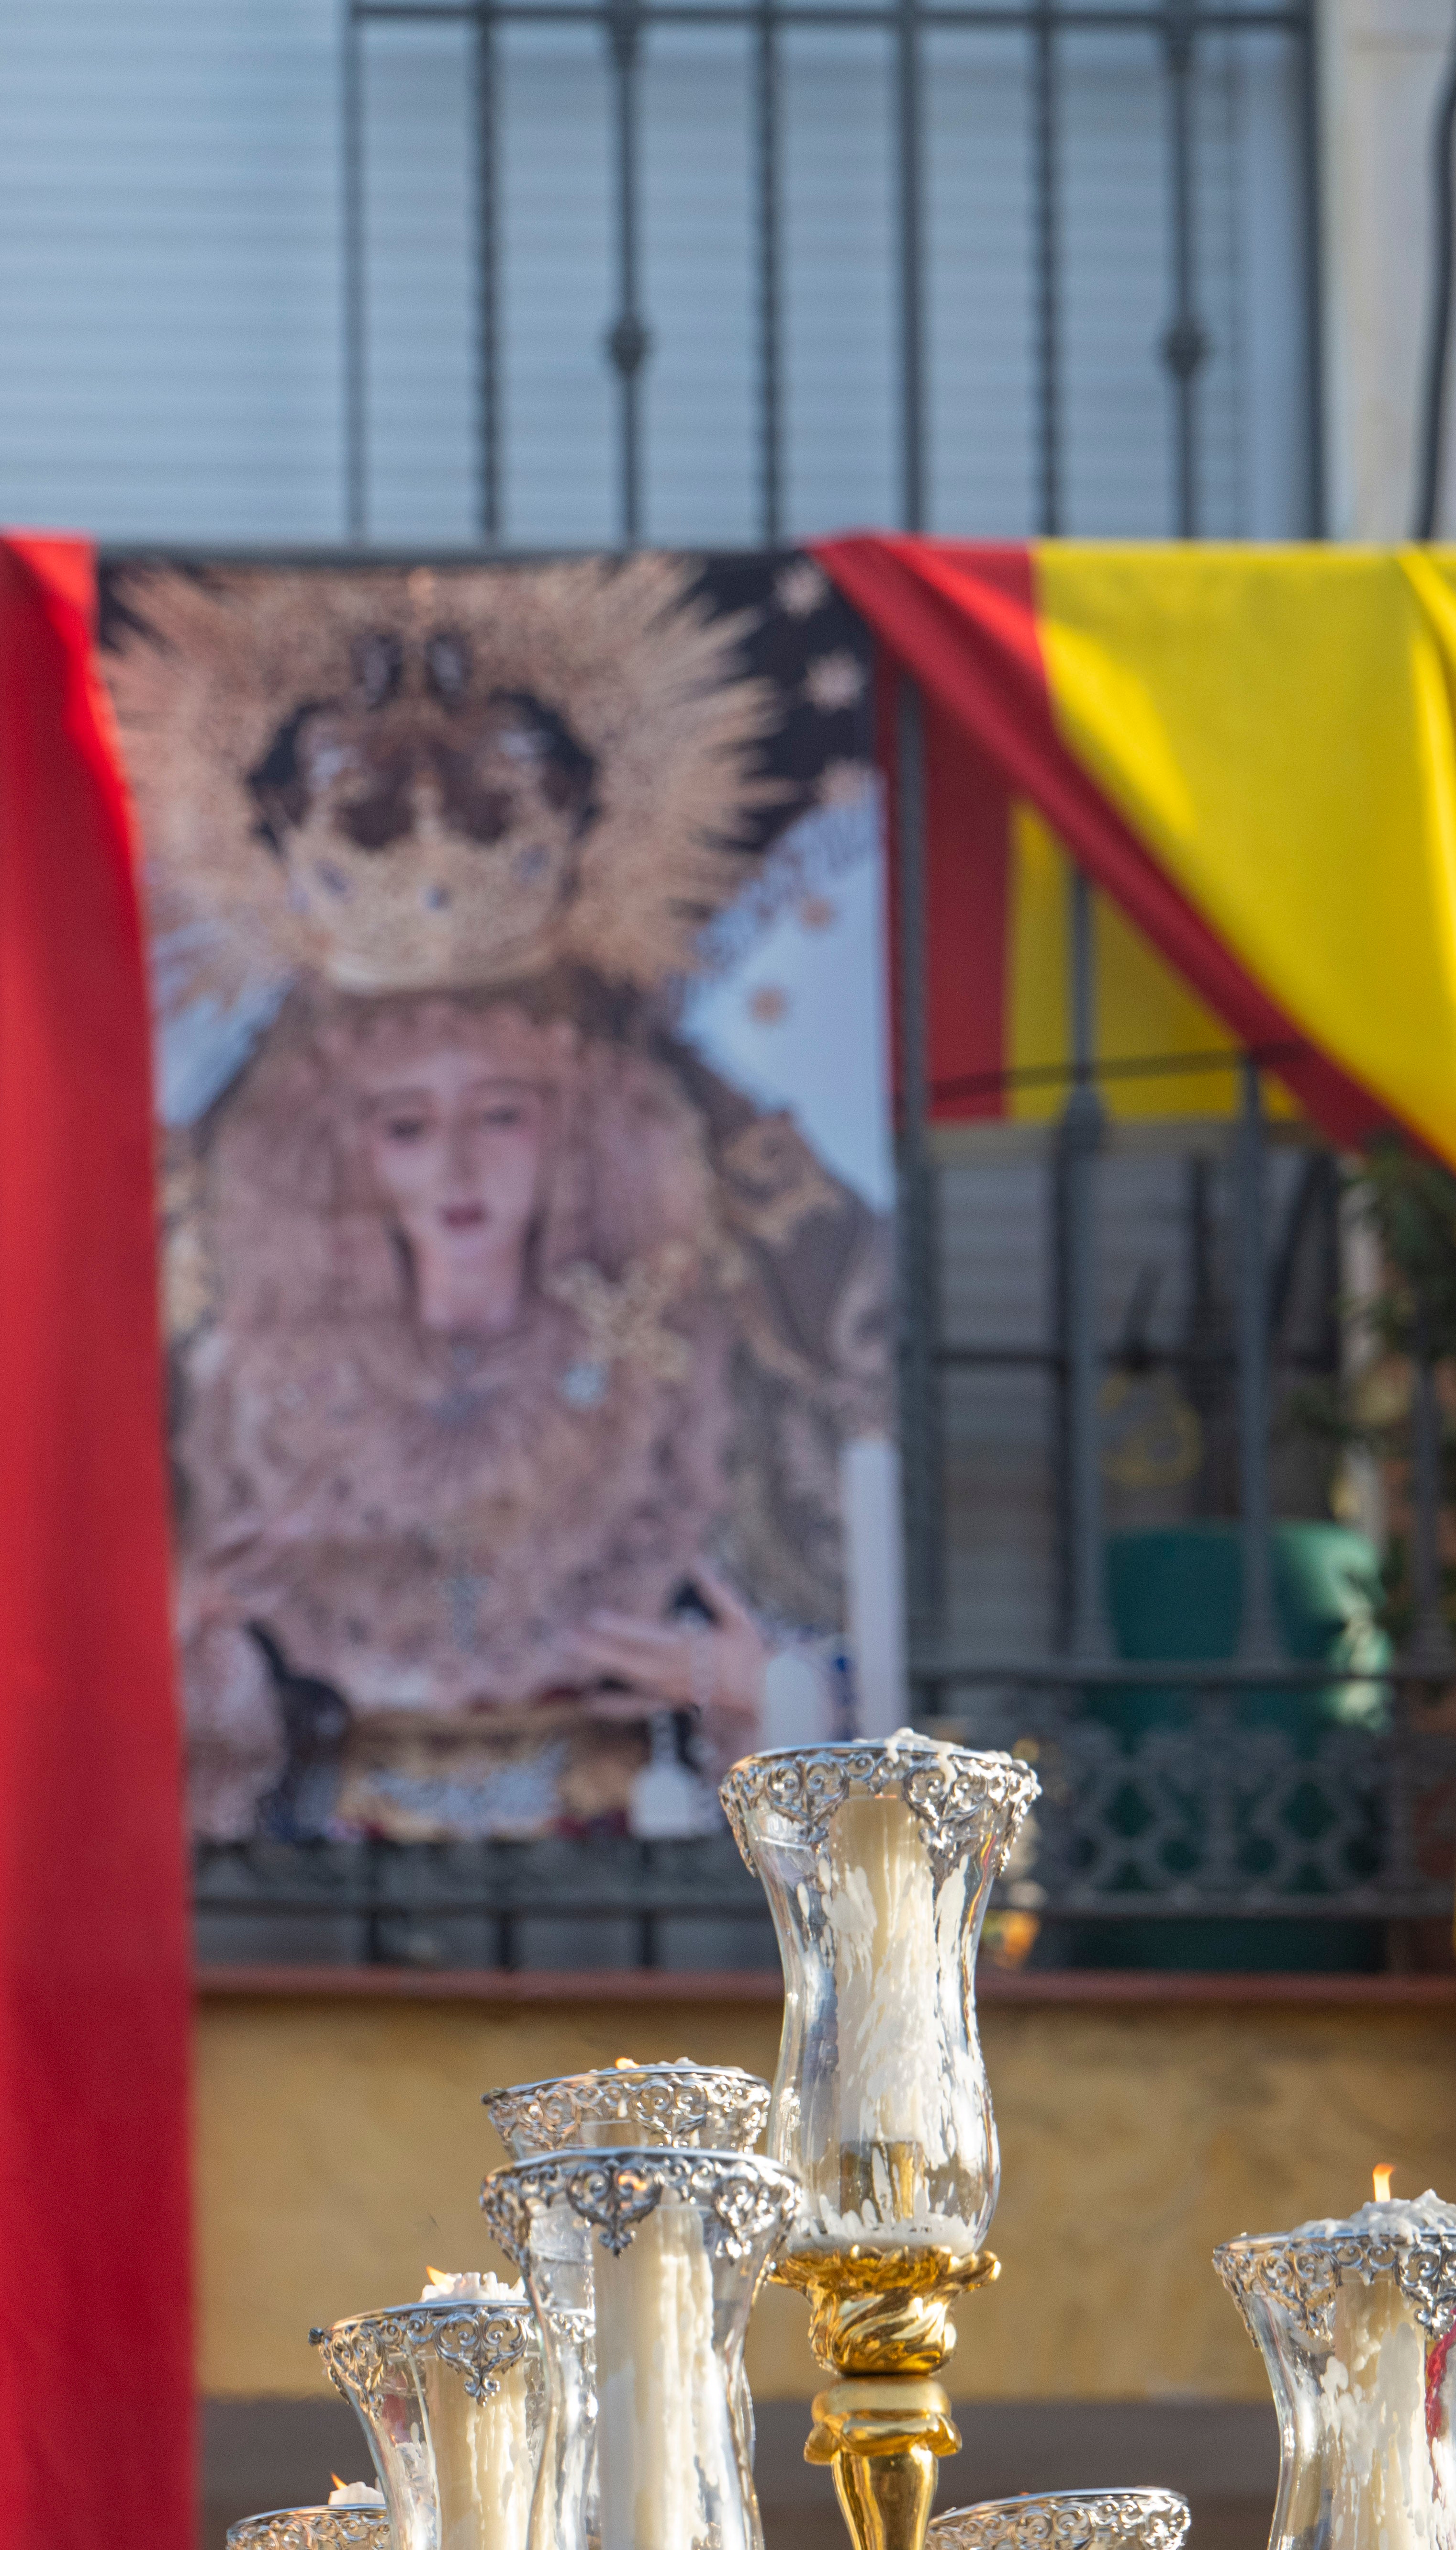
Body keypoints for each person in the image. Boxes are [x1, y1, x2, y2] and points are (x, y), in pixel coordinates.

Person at [115, 570, 888, 1843]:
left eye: (507, 1118)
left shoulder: (717, 1214)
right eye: (408, 1129)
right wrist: (181, 1649)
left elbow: (832, 1467)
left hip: (652, 1868)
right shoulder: (205, 1249)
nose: (460, 1171)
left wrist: (776, 1695)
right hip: (304, 1878)